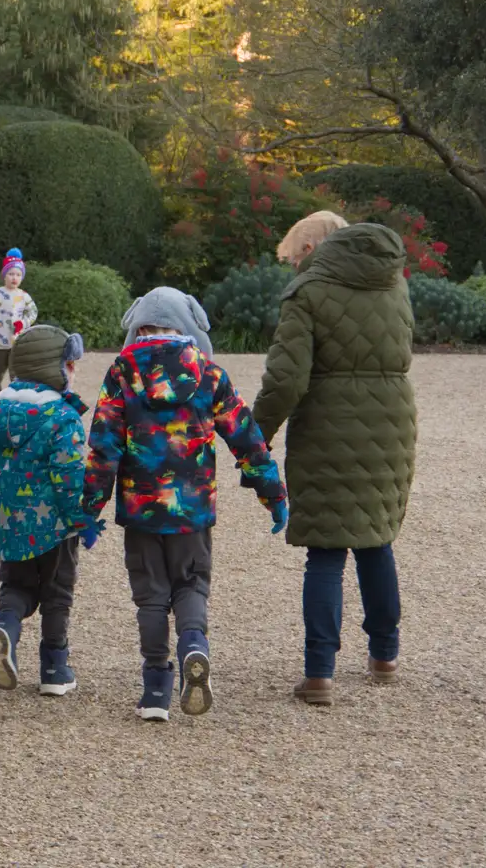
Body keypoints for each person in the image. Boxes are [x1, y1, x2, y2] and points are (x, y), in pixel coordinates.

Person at [83, 286, 287, 723]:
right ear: (189, 326)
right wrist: (272, 493)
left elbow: (102, 447)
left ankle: (156, 687)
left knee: (151, 597)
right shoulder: (208, 373)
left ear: (138, 326)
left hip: (141, 510)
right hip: (192, 511)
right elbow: (246, 437)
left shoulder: (122, 371)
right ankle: (195, 644)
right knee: (191, 584)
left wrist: (89, 509)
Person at [252, 217, 415, 707]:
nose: (294, 266)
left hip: (327, 423)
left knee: (325, 550)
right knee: (375, 537)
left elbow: (286, 381)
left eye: (294, 256)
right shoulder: (393, 284)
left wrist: (254, 438)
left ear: (309, 246)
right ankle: (384, 654)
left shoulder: (309, 292)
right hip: (391, 424)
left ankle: (319, 671)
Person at [0, 325, 97, 697]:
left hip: (12, 524)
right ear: (54, 368)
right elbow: (69, 477)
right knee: (57, 593)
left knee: (16, 586)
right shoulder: (63, 418)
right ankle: (54, 667)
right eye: (69, 364)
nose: (73, 370)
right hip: (55, 528)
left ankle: (6, 630)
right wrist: (82, 519)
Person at [0, 248, 37, 396]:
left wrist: (23, 323)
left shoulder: (23, 296)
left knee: (15, 369)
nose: (14, 278)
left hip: (16, 339)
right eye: (11, 274)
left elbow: (33, 312)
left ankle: (15, 394)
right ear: (4, 276)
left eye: (18, 274)